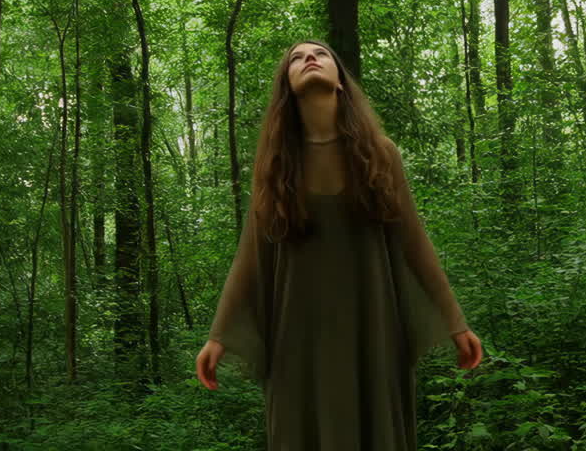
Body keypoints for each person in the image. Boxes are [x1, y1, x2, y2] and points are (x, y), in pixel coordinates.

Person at [194, 39, 483, 450]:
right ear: (286, 87)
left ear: (342, 82)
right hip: (297, 338)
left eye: (321, 54)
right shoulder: (276, 167)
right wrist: (219, 336)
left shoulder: (380, 155)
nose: (309, 58)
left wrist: (456, 322)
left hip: (373, 331)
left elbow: (414, 243)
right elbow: (250, 258)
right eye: (296, 58)